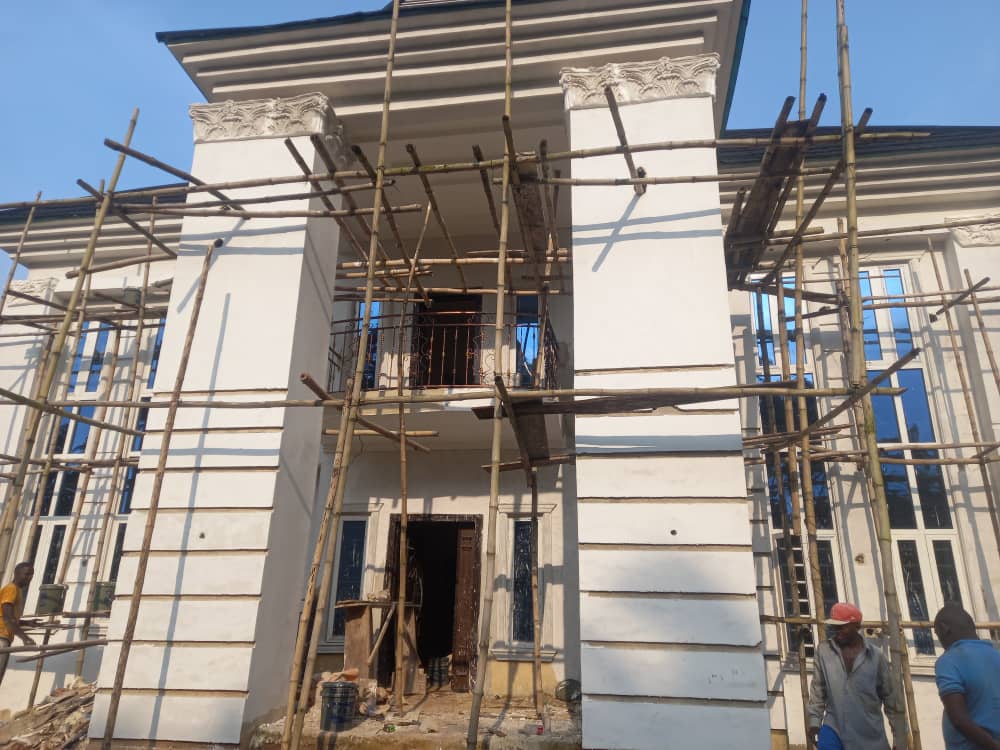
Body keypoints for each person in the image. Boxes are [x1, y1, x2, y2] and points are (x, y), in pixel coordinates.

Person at [807, 601, 907, 750]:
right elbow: (818, 690)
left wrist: (899, 737)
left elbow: (891, 698)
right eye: (835, 627)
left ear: (857, 626)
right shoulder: (824, 651)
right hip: (834, 726)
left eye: (842, 627)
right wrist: (814, 722)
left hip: (868, 733)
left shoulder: (876, 657)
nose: (837, 631)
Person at [933, 604, 1000, 750]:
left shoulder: (949, 660)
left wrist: (994, 746)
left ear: (944, 629)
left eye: (937, 633)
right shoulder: (996, 654)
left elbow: (959, 719)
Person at [0, 562, 36, 685]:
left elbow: (10, 618)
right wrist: (25, 638)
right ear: (17, 573)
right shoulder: (11, 589)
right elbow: (8, 619)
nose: (29, 578)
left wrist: (27, 622)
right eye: (27, 574)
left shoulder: (17, 591)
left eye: (31, 575)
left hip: (5, 638)